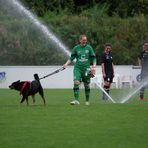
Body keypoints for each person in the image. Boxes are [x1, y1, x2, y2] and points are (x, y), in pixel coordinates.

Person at [63, 34, 96, 105]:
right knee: (76, 82)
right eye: (83, 40)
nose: (85, 41)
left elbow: (93, 58)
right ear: (80, 40)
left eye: (86, 40)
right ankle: (76, 100)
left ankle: (87, 101)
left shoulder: (89, 48)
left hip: (86, 69)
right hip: (77, 68)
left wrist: (94, 67)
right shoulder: (76, 48)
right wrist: (66, 64)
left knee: (86, 85)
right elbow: (71, 58)